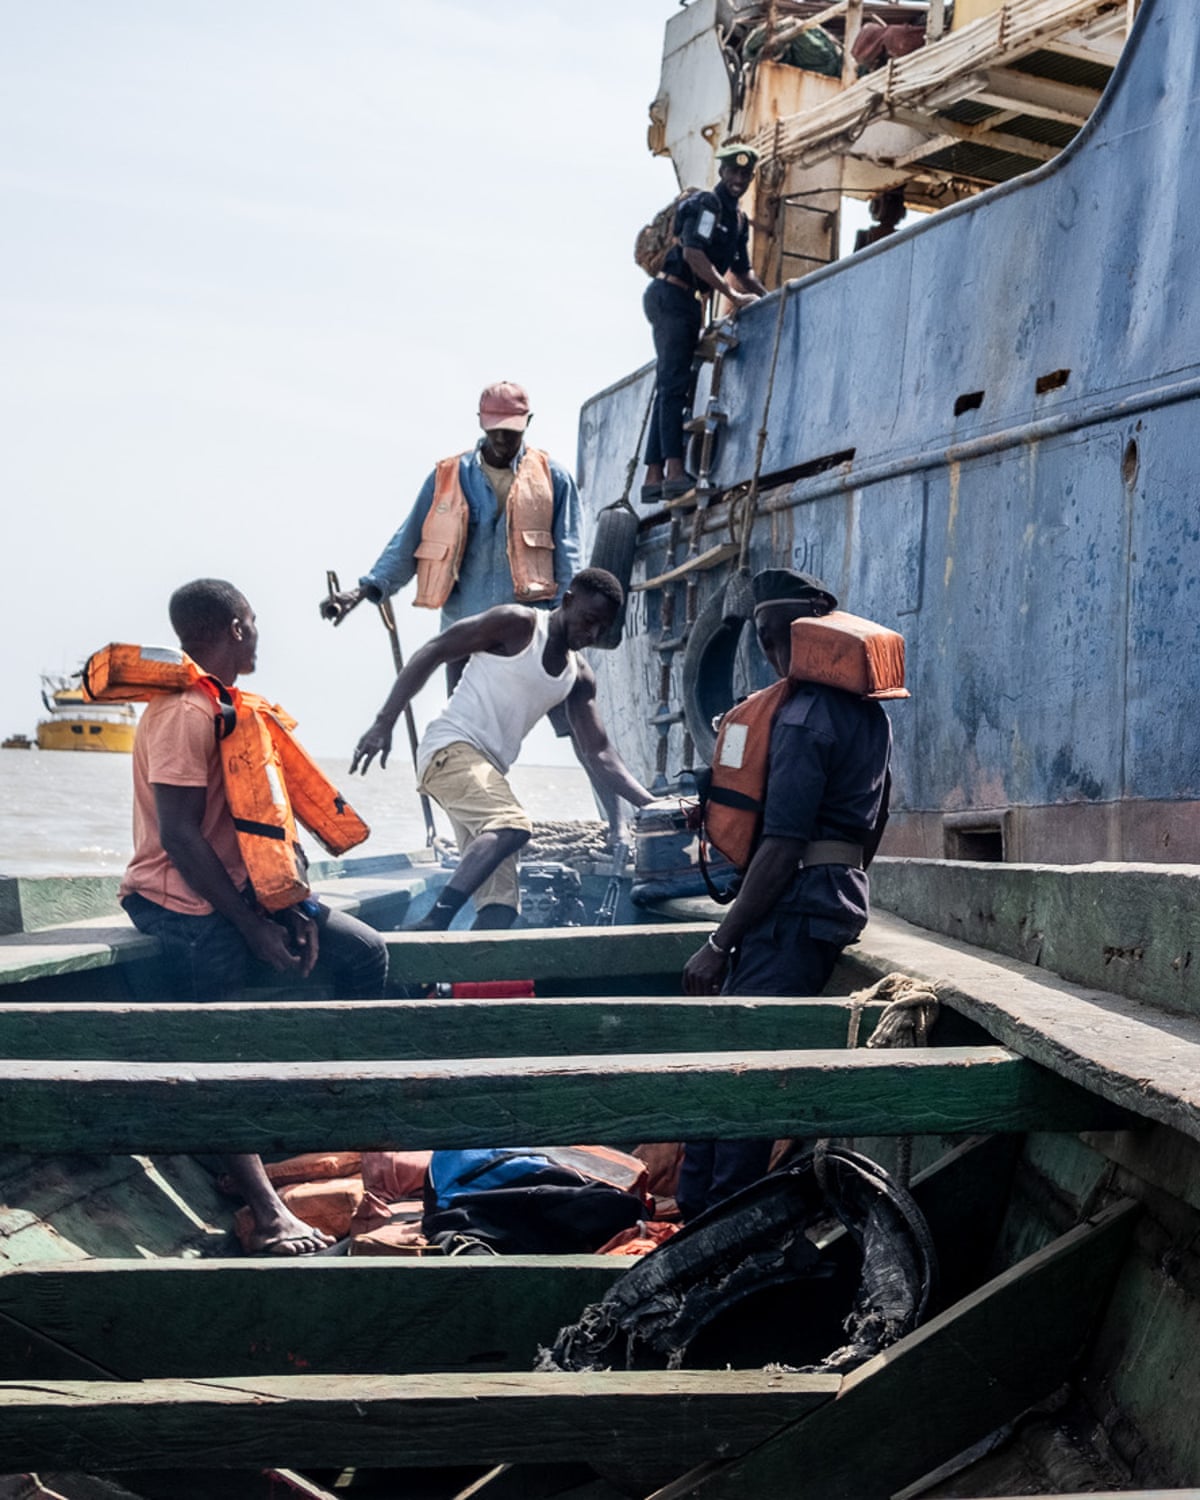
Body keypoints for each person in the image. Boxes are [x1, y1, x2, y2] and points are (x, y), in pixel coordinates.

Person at [120, 578, 389, 1255]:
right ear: (237, 628)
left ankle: (334, 1128)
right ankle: (267, 1210)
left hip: (241, 893)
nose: (260, 635)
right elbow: (181, 837)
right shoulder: (183, 713)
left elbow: (266, 829)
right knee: (222, 1035)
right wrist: (252, 928)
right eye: (256, 623)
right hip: (175, 898)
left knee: (364, 953)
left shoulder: (237, 709)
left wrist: (293, 908)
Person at [678, 567, 893, 1220]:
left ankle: (713, 1227)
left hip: (790, 916)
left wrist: (720, 941)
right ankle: (702, 1214)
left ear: (812, 635)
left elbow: (781, 847)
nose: (773, 656)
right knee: (739, 1068)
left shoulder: (802, 719)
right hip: (825, 908)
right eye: (765, 641)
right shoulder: (870, 713)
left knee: (739, 1079)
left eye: (781, 640)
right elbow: (875, 820)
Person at [350, 568, 655, 931]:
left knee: (500, 908)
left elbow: (599, 753)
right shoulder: (517, 625)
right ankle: (434, 921)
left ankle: (455, 976)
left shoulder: (578, 677)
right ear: (568, 601)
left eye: (601, 628)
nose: (591, 634)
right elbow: (435, 651)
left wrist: (652, 806)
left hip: (488, 771)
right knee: (511, 824)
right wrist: (384, 723)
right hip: (448, 749)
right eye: (588, 620)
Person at [320, 381, 583, 641]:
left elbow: (568, 556)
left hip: (527, 633)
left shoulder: (553, 479)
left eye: (511, 429)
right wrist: (363, 591)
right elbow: (408, 541)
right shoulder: (447, 477)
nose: (502, 438)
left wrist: (564, 627)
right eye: (495, 429)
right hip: (463, 632)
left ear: (528, 421)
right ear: (481, 422)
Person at [642, 144, 768, 504]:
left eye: (745, 175)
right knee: (673, 387)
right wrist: (731, 293)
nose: (738, 180)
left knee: (671, 386)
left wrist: (770, 294)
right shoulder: (708, 207)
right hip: (671, 297)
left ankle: (654, 475)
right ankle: (675, 470)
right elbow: (693, 253)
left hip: (686, 303)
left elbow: (743, 270)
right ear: (722, 173)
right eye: (733, 172)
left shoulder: (739, 220)